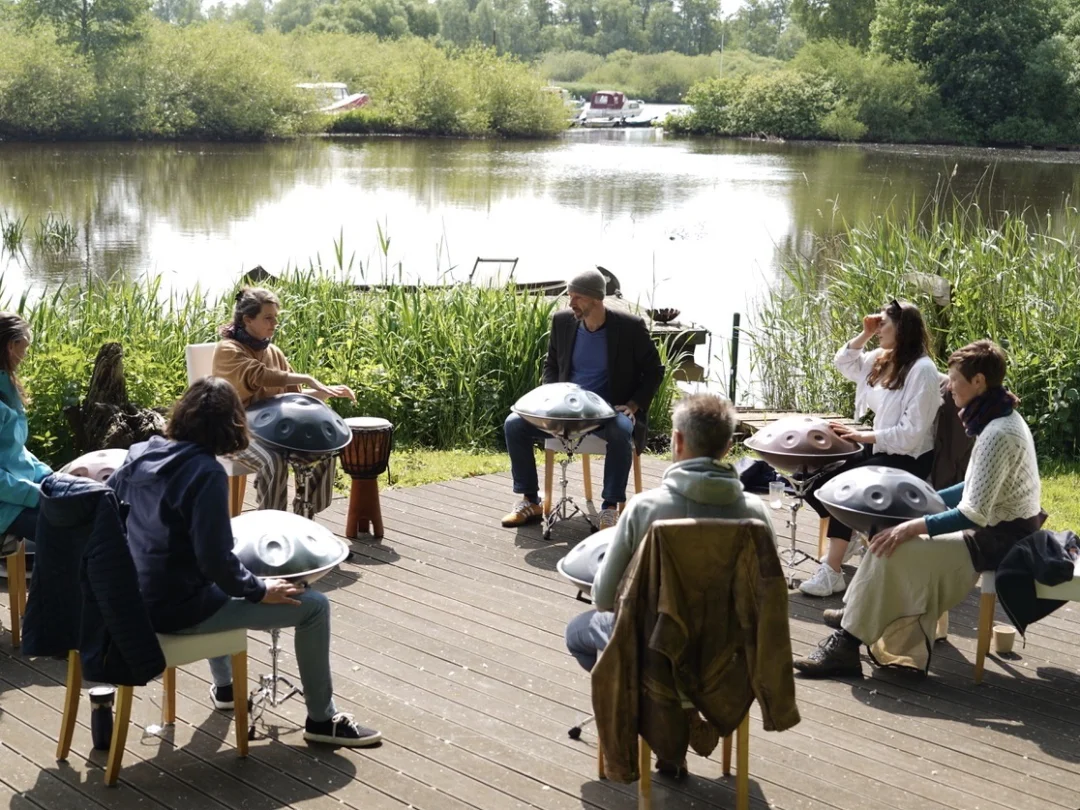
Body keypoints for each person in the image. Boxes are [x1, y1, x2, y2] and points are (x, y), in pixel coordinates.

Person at [109, 377, 380, 746]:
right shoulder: (205, 473)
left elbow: (117, 515)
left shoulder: (141, 452)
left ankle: (225, 689)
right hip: (177, 609)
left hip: (138, 598)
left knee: (216, 585)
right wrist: (258, 590)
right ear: (233, 424)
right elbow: (215, 561)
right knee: (313, 606)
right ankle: (322, 720)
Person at [794, 340, 1043, 677]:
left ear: (979, 382)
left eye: (954, 380)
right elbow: (973, 488)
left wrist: (913, 525)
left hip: (1000, 538)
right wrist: (928, 500)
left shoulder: (999, 432)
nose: (948, 387)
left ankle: (847, 643)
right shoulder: (998, 419)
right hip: (995, 527)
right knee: (886, 530)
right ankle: (860, 611)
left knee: (896, 544)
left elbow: (973, 513)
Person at [564, 393, 776, 672]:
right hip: (729, 654)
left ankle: (641, 702)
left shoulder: (644, 508)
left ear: (677, 440)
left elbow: (603, 599)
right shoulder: (757, 513)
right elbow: (769, 595)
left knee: (577, 633)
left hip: (656, 648)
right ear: (728, 447)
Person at [799, 299, 942, 597]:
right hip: (881, 449)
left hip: (909, 459)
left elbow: (911, 436)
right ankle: (850, 531)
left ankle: (833, 571)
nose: (878, 330)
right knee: (813, 478)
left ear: (902, 329)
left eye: (883, 325)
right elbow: (844, 362)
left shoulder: (923, 370)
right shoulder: (882, 357)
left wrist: (862, 437)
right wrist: (864, 334)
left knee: (846, 486)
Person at [502, 269, 663, 531]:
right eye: (569, 296)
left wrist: (633, 405)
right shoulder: (562, 321)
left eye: (577, 297)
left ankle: (609, 508)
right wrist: (551, 398)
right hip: (565, 412)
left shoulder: (629, 327)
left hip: (608, 412)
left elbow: (655, 370)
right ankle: (530, 500)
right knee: (514, 423)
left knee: (622, 430)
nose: (570, 303)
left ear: (596, 299)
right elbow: (551, 364)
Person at [213, 287, 355, 515]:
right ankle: (272, 523)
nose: (274, 324)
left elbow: (292, 399)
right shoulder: (228, 350)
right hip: (235, 432)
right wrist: (308, 378)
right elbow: (257, 375)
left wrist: (326, 392)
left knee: (321, 453)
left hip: (272, 433)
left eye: (275, 318)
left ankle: (304, 517)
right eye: (268, 318)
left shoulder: (274, 352)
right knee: (273, 462)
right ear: (248, 319)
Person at [0, 312, 51, 547]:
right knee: (74, 531)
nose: (25, 355)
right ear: (11, 346)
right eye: (25, 347)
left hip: (18, 493)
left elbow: (15, 450)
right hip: (6, 506)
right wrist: (36, 494)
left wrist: (49, 477)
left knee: (94, 502)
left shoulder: (6, 386)